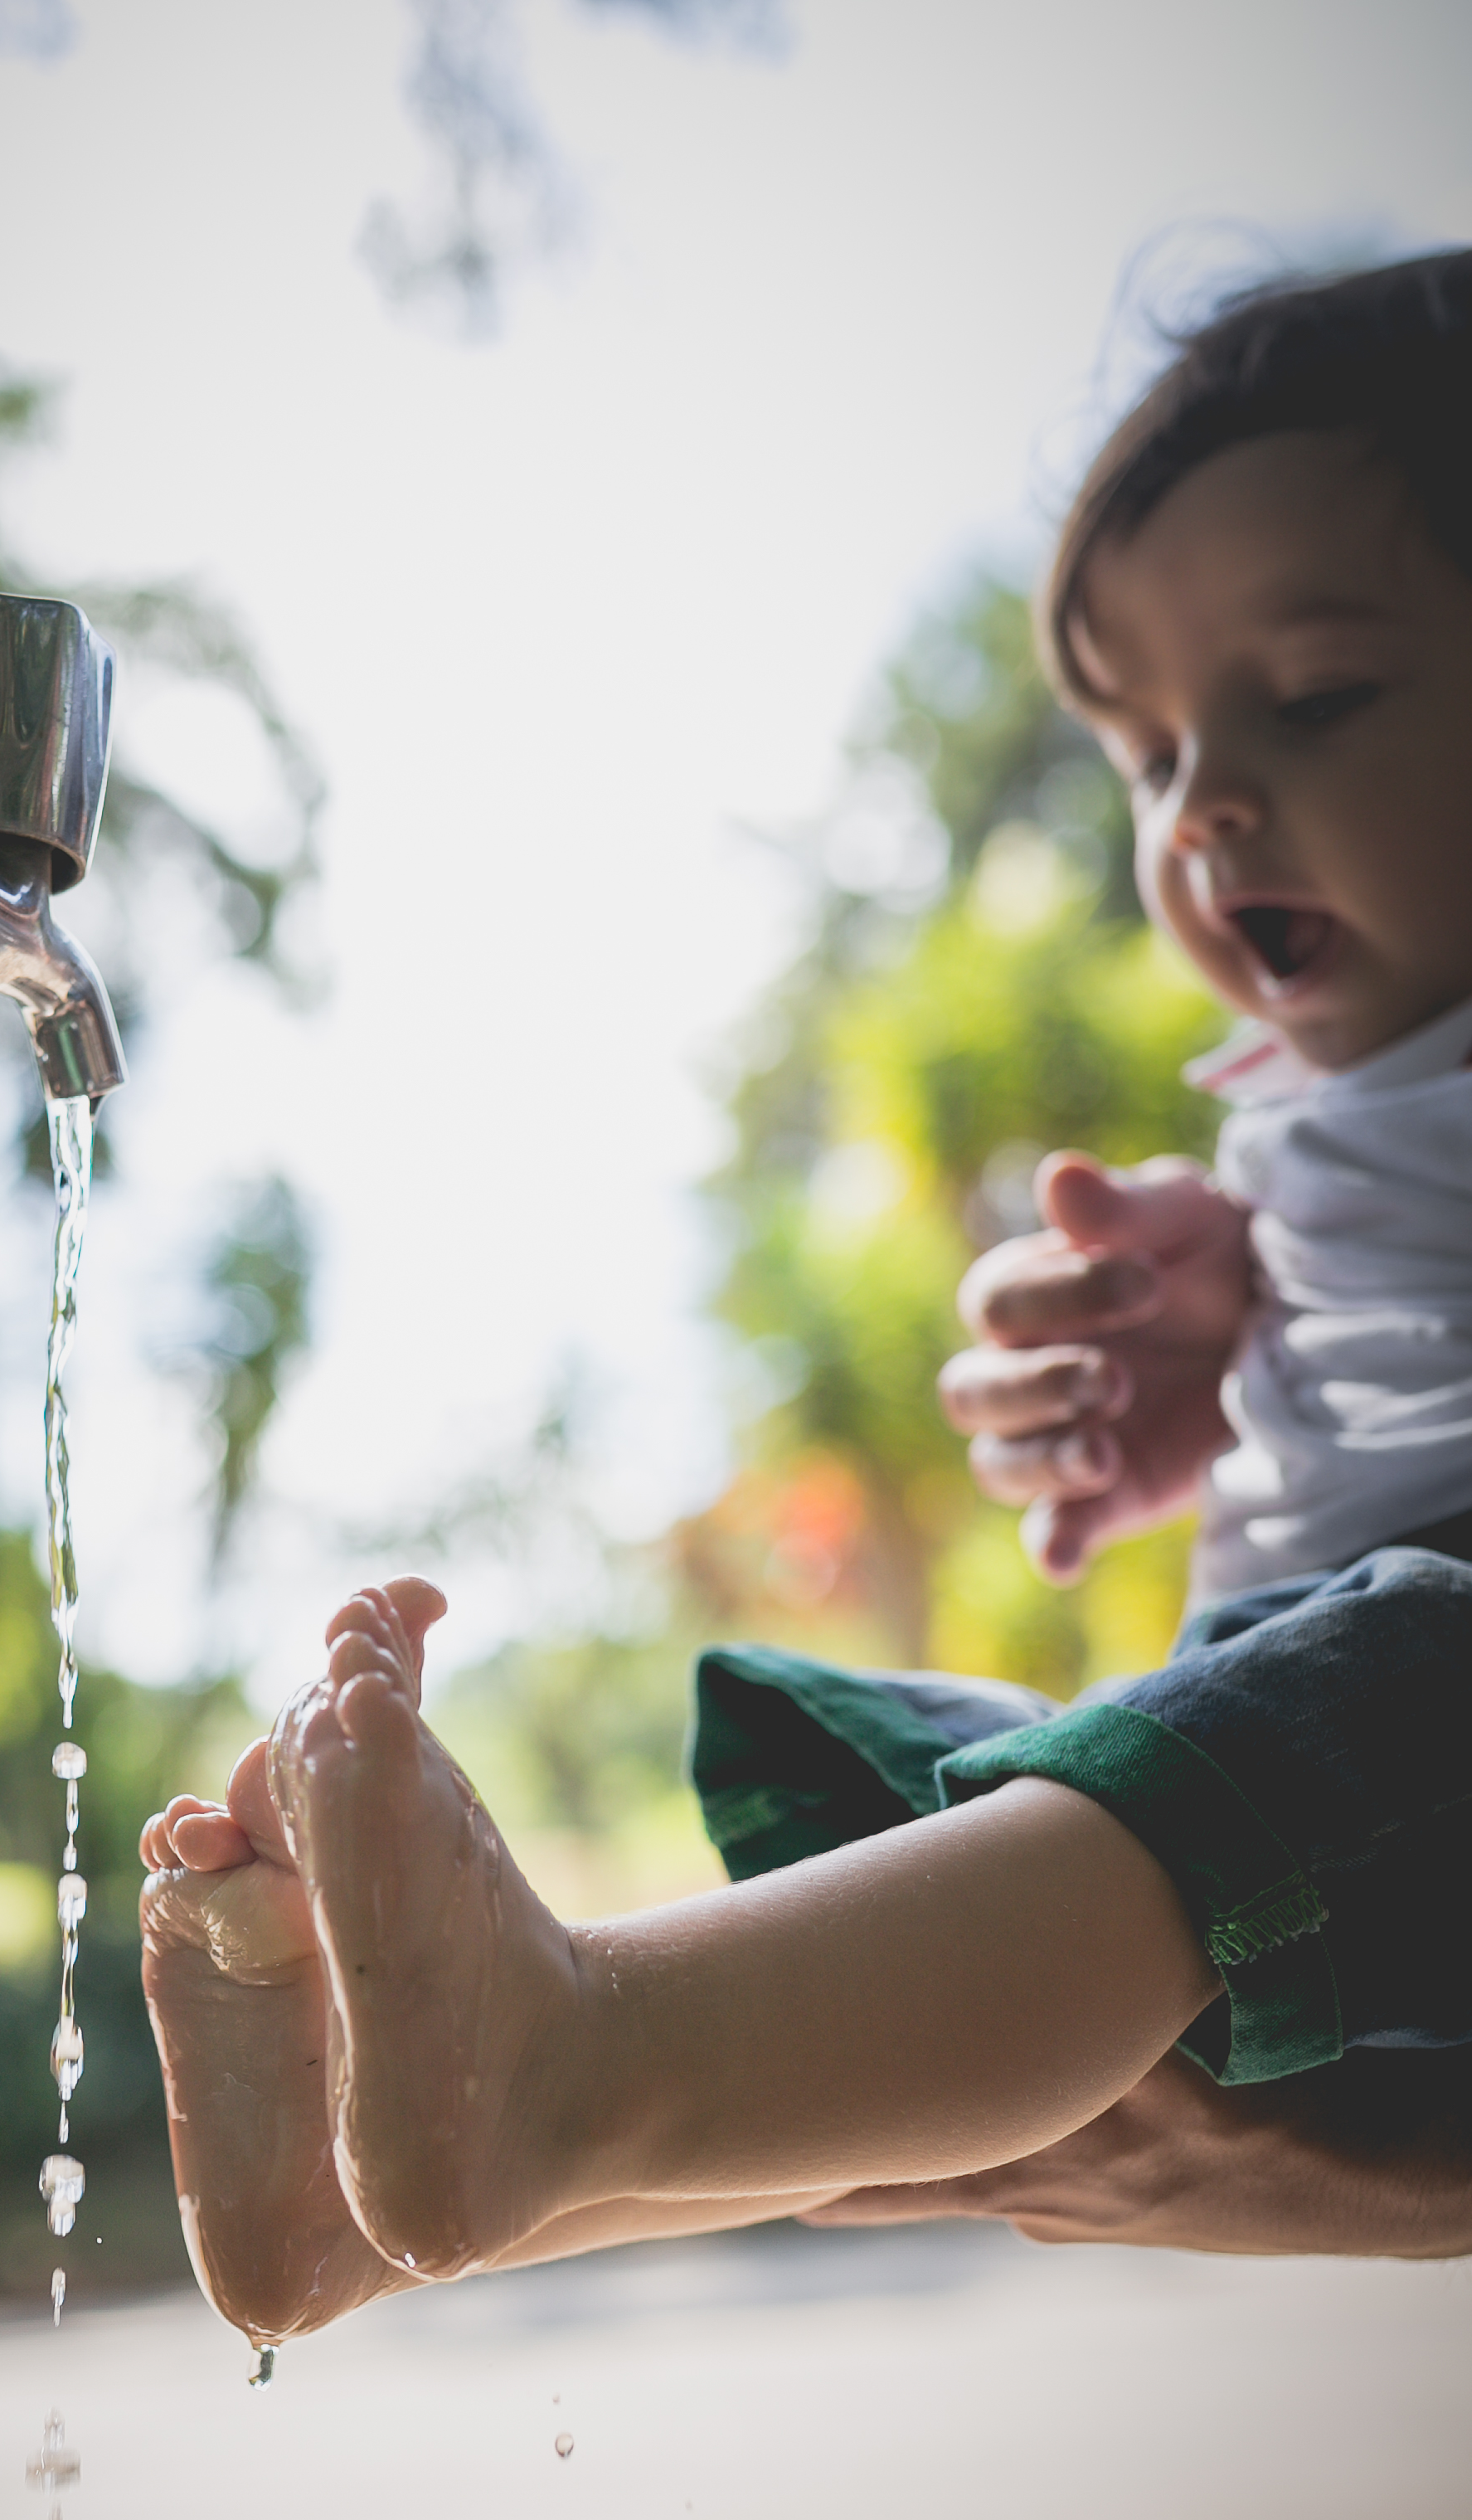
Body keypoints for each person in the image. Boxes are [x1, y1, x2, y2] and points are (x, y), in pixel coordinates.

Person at [139, 253, 1472, 2347]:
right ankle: (389, 2203)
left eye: (1311, 698)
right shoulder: (1320, 1112)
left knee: (1216, 1776)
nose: (1200, 806)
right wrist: (1241, 1341)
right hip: (1310, 1834)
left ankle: (565, 2063)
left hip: (1387, 1744)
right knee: (952, 1839)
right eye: (1141, 754)